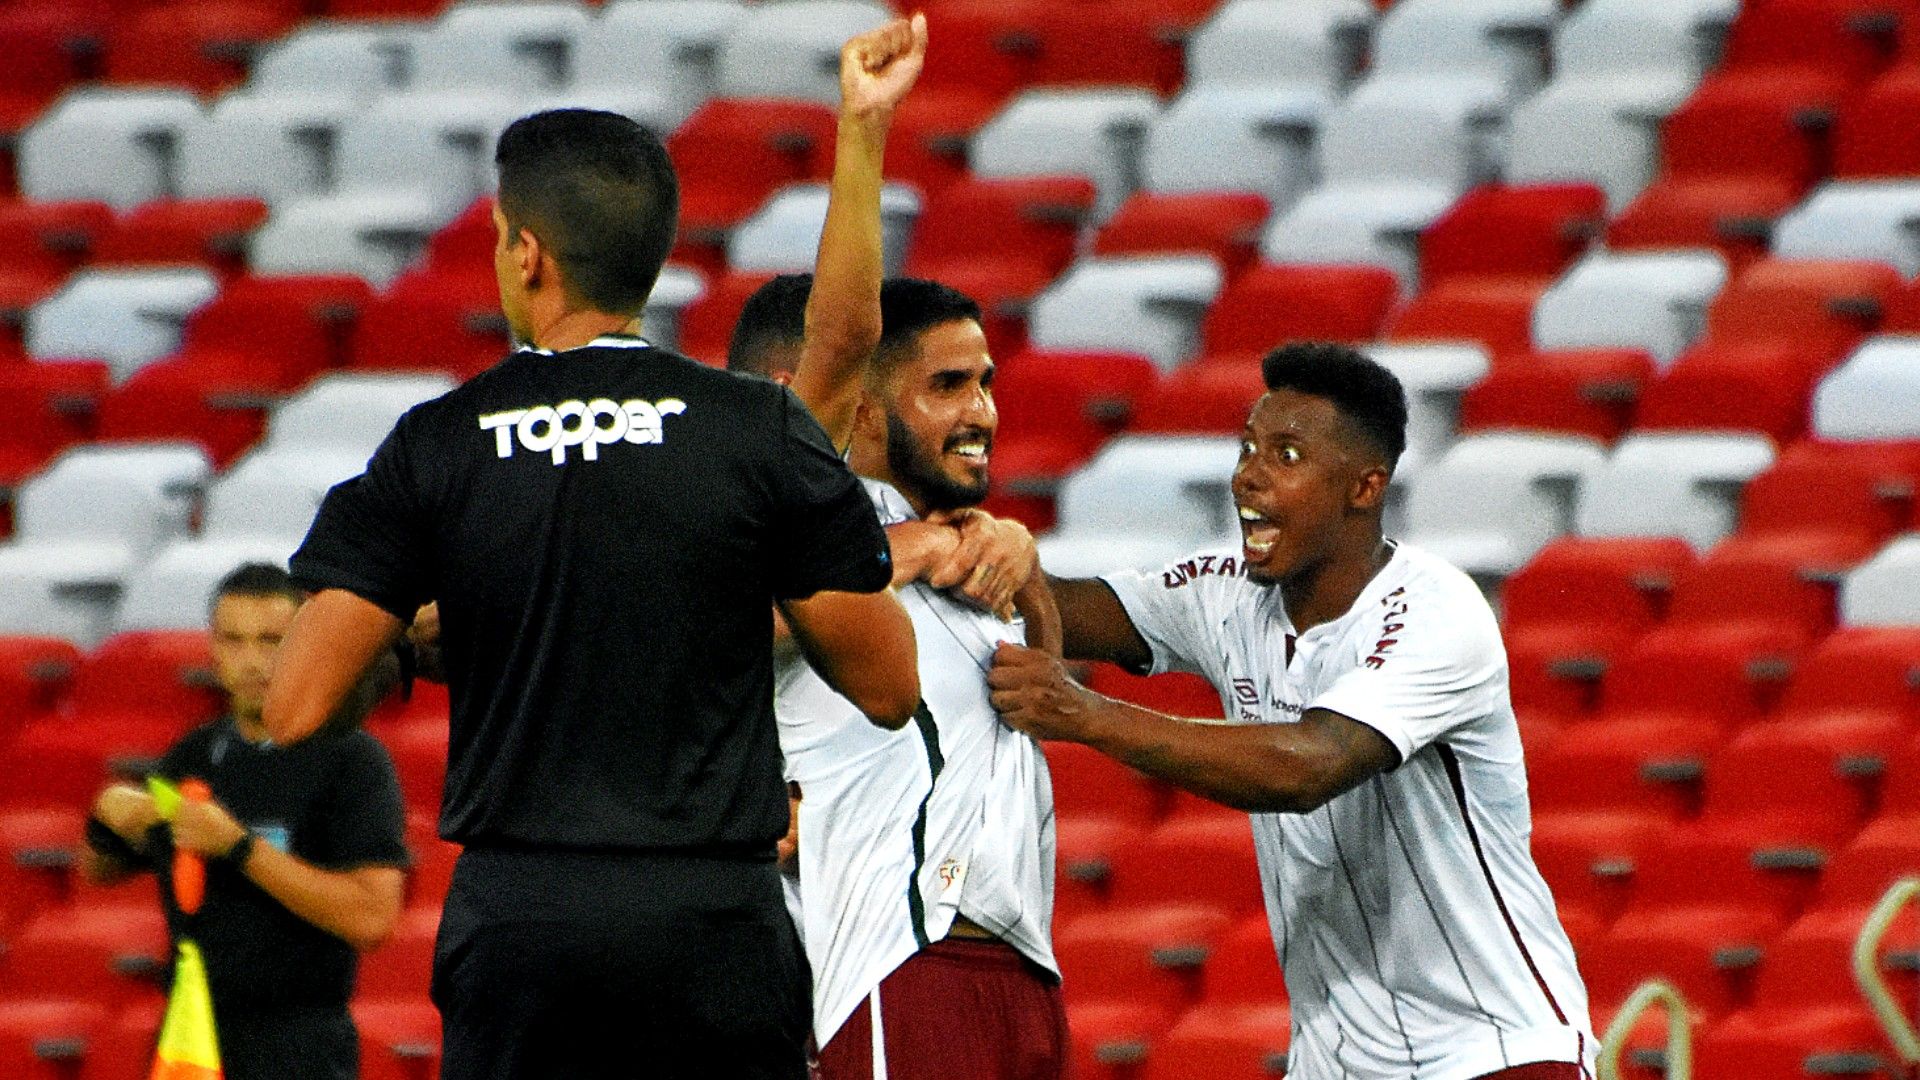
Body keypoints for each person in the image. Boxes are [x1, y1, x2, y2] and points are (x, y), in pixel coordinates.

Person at [261, 25, 928, 1079]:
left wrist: (427, 640)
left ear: (527, 252)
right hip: (710, 918)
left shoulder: (438, 442)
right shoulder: (753, 430)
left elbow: (294, 708)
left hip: (522, 920)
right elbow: (889, 687)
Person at [988, 343, 1598, 1080]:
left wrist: (1080, 712)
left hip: (1493, 1051)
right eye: (1247, 448)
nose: (1247, 475)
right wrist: (974, 548)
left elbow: (1308, 767)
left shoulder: (1437, 610)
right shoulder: (1227, 594)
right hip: (1334, 1063)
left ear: (1364, 487)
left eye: (1286, 455)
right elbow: (1067, 609)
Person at [753, 276, 1067, 1079]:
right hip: (901, 966)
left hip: (1023, 969)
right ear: (861, 409)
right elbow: (711, 625)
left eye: (985, 383)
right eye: (947, 385)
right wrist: (899, 554)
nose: (981, 412)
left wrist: (1028, 576)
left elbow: (1039, 699)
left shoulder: (964, 542)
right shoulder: (807, 532)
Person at [81, 563, 408, 1080]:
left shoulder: (350, 758)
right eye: (233, 641)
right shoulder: (195, 754)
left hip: (299, 1043)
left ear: (305, 646)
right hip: (191, 1034)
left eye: (271, 640)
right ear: (212, 647)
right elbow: (100, 871)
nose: (251, 661)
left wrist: (238, 847)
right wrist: (107, 820)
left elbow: (373, 918)